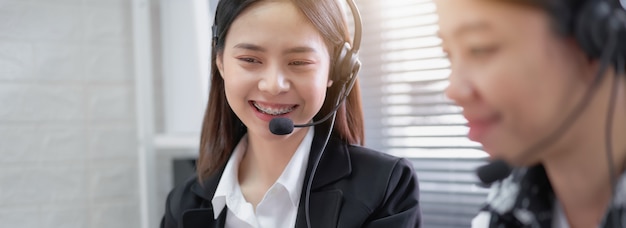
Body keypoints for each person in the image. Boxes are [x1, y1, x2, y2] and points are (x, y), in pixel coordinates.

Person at [160, 0, 421, 227]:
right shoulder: (182, 205)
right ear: (220, 64)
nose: (273, 85)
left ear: (336, 71)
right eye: (250, 60)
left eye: (299, 63)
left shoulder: (385, 187)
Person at [435, 0, 626, 227]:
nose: (453, 91)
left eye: (479, 48)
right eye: (449, 55)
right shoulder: (503, 212)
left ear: (597, 40)